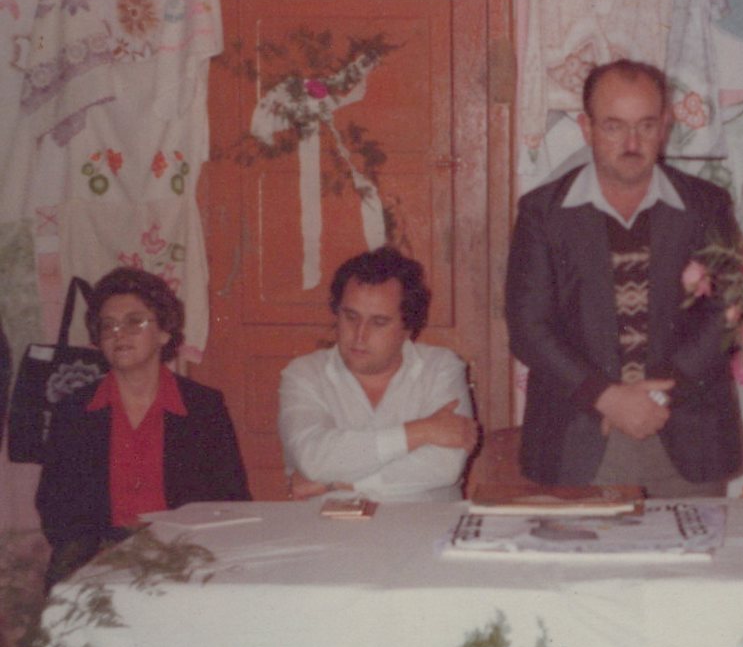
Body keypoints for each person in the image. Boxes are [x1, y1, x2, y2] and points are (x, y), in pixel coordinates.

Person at [505, 59, 742, 495]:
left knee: (694, 543)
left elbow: (725, 314)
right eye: (614, 126)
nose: (632, 143)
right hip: (581, 441)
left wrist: (656, 397)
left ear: (665, 126)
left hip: (687, 436)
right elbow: (528, 328)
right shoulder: (543, 213)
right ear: (587, 127)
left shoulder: (706, 206)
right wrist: (607, 397)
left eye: (646, 126)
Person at [36, 268, 250, 587]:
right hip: (97, 555)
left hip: (183, 552)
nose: (118, 334)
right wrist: (107, 552)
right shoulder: (75, 410)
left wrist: (174, 547)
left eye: (134, 322)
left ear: (164, 332)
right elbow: (54, 506)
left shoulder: (203, 407)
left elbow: (230, 499)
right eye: (108, 325)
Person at [279, 246, 478, 502]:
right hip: (327, 524)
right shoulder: (303, 374)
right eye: (351, 317)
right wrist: (420, 431)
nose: (359, 335)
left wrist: (333, 484)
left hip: (422, 524)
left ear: (408, 328)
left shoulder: (441, 368)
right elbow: (314, 459)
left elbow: (444, 466)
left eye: (379, 322)